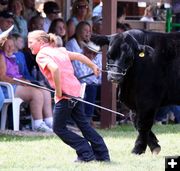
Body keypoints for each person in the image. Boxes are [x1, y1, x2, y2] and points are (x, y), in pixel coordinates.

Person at [28, 30, 110, 162]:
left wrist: (59, 91)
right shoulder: (59, 50)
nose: (29, 46)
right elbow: (79, 56)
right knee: (84, 125)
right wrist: (93, 66)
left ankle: (86, 153)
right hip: (76, 92)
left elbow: (55, 69)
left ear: (41, 42)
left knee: (58, 128)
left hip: (65, 95)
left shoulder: (41, 55)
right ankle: (102, 155)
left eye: (31, 42)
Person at [0, 36, 53, 132]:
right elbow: (2, 77)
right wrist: (19, 82)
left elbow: (16, 75)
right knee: (36, 94)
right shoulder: (1, 56)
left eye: (12, 46)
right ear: (2, 46)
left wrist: (25, 81)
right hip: (7, 88)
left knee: (45, 91)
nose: (10, 48)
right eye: (7, 46)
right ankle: (38, 124)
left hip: (15, 85)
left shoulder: (12, 57)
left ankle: (50, 122)